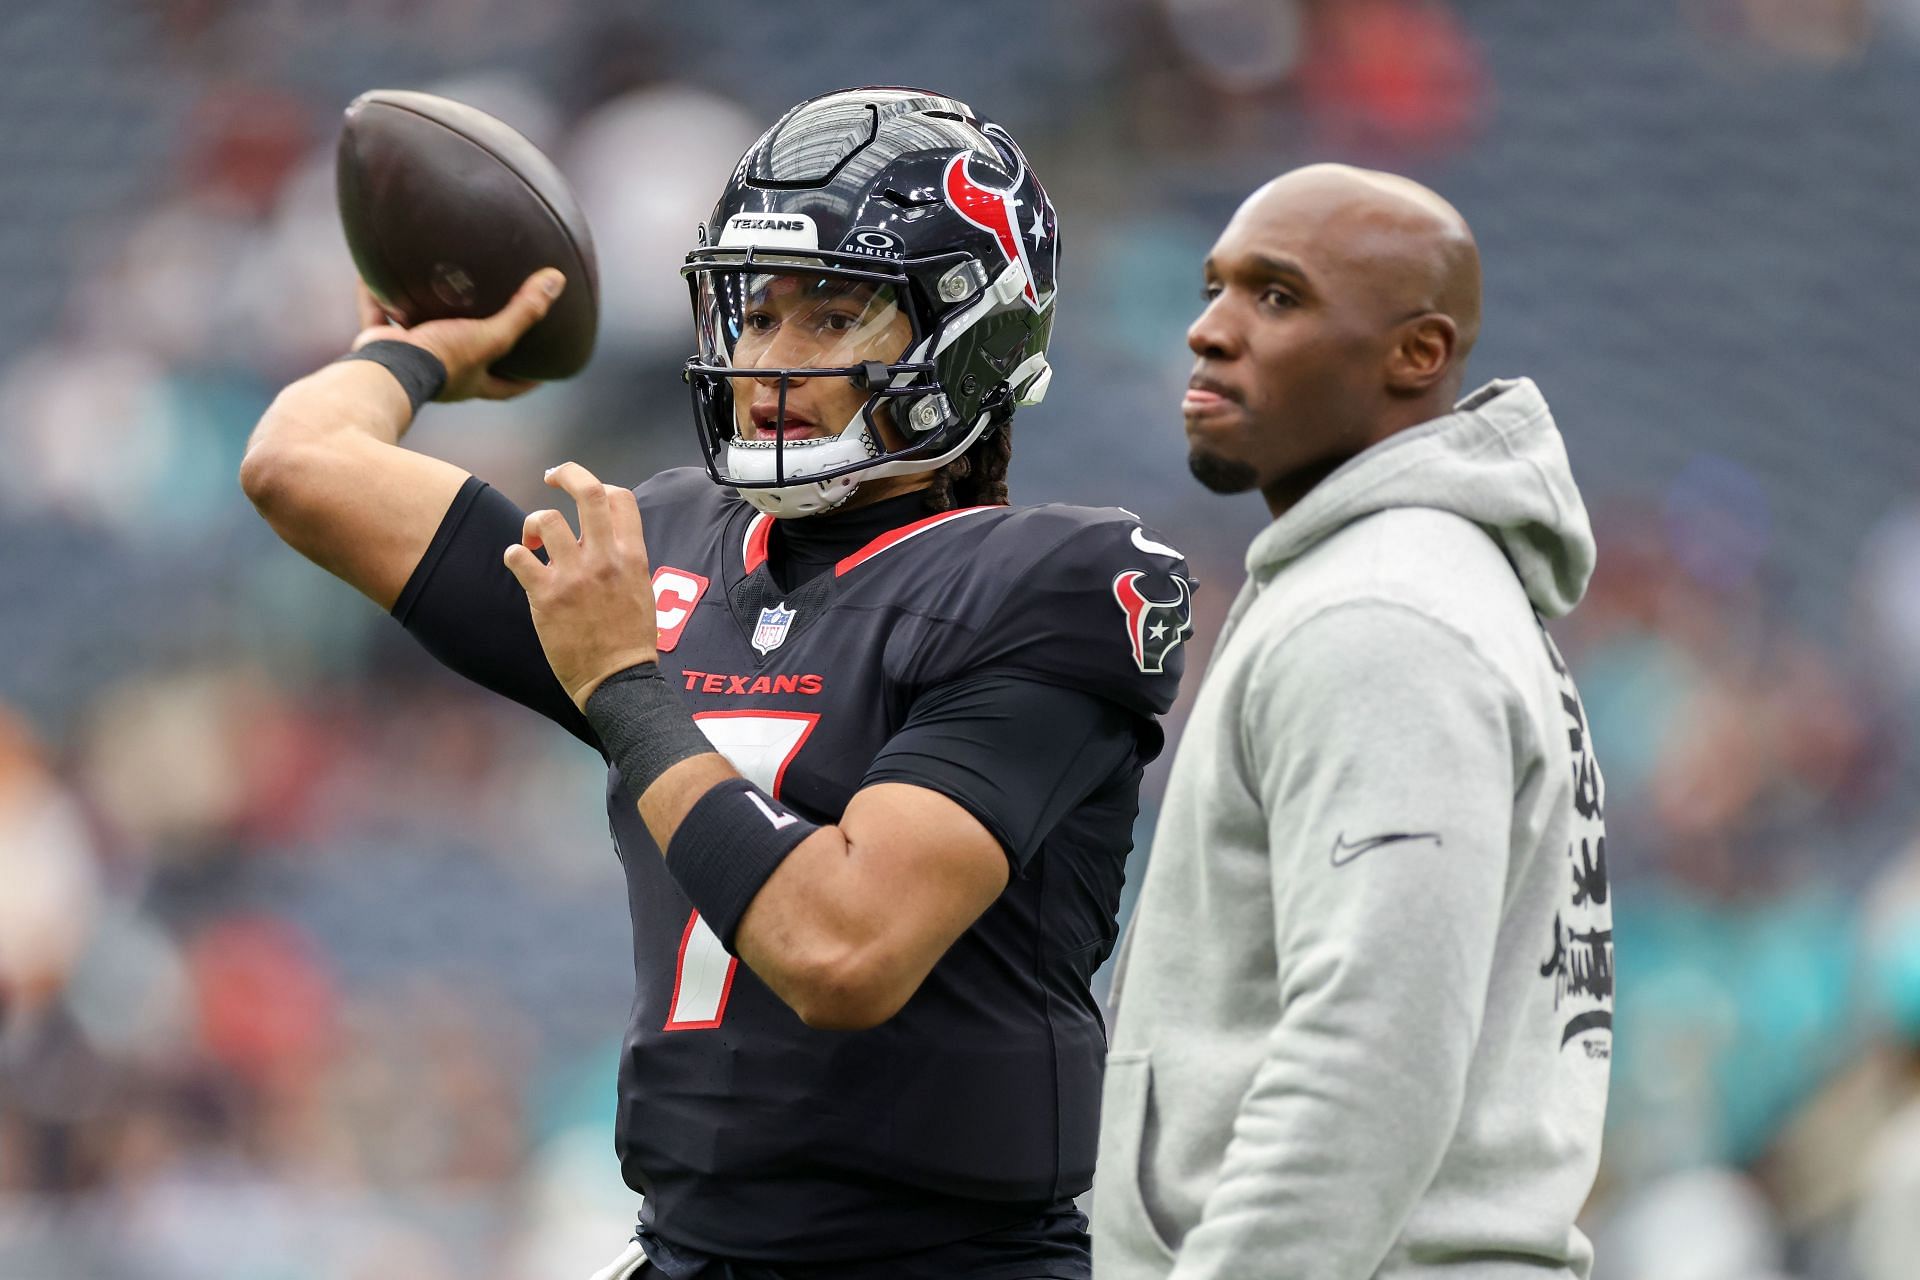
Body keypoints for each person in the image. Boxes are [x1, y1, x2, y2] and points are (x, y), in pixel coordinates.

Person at [240, 86, 1195, 1280]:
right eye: (754, 313)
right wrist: (412, 351)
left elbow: (843, 950)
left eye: (832, 317)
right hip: (687, 1248)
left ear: (974, 333)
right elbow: (300, 465)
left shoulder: (1053, 581)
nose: (767, 363)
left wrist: (626, 685)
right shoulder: (660, 546)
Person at [1090, 164, 1613, 1279]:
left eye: (1276, 297)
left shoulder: (1384, 613)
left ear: (1417, 353)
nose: (1209, 332)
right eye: (1214, 287)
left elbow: (1368, 1057)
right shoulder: (1403, 583)